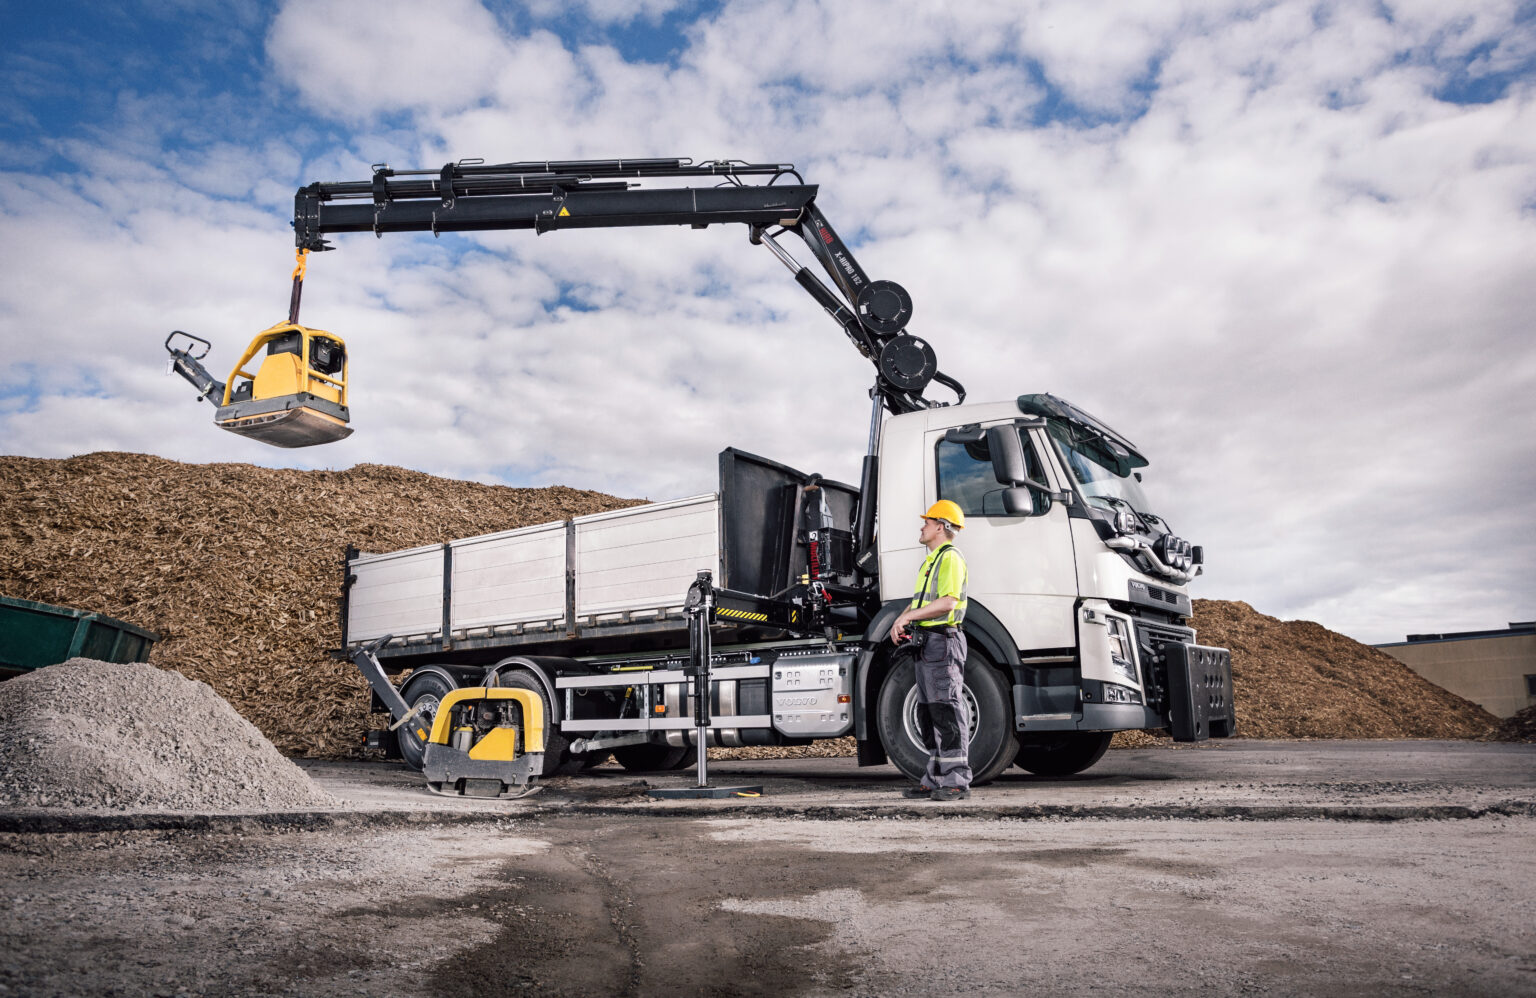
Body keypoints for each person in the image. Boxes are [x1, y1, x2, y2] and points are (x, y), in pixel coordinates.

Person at [889, 500, 971, 802]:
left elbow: (948, 601)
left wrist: (908, 617)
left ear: (940, 527)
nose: (922, 527)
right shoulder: (931, 561)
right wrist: (902, 617)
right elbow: (923, 603)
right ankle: (935, 778)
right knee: (928, 712)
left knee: (946, 710)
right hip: (930, 644)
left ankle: (957, 781)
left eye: (927, 522)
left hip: (943, 641)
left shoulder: (950, 558)